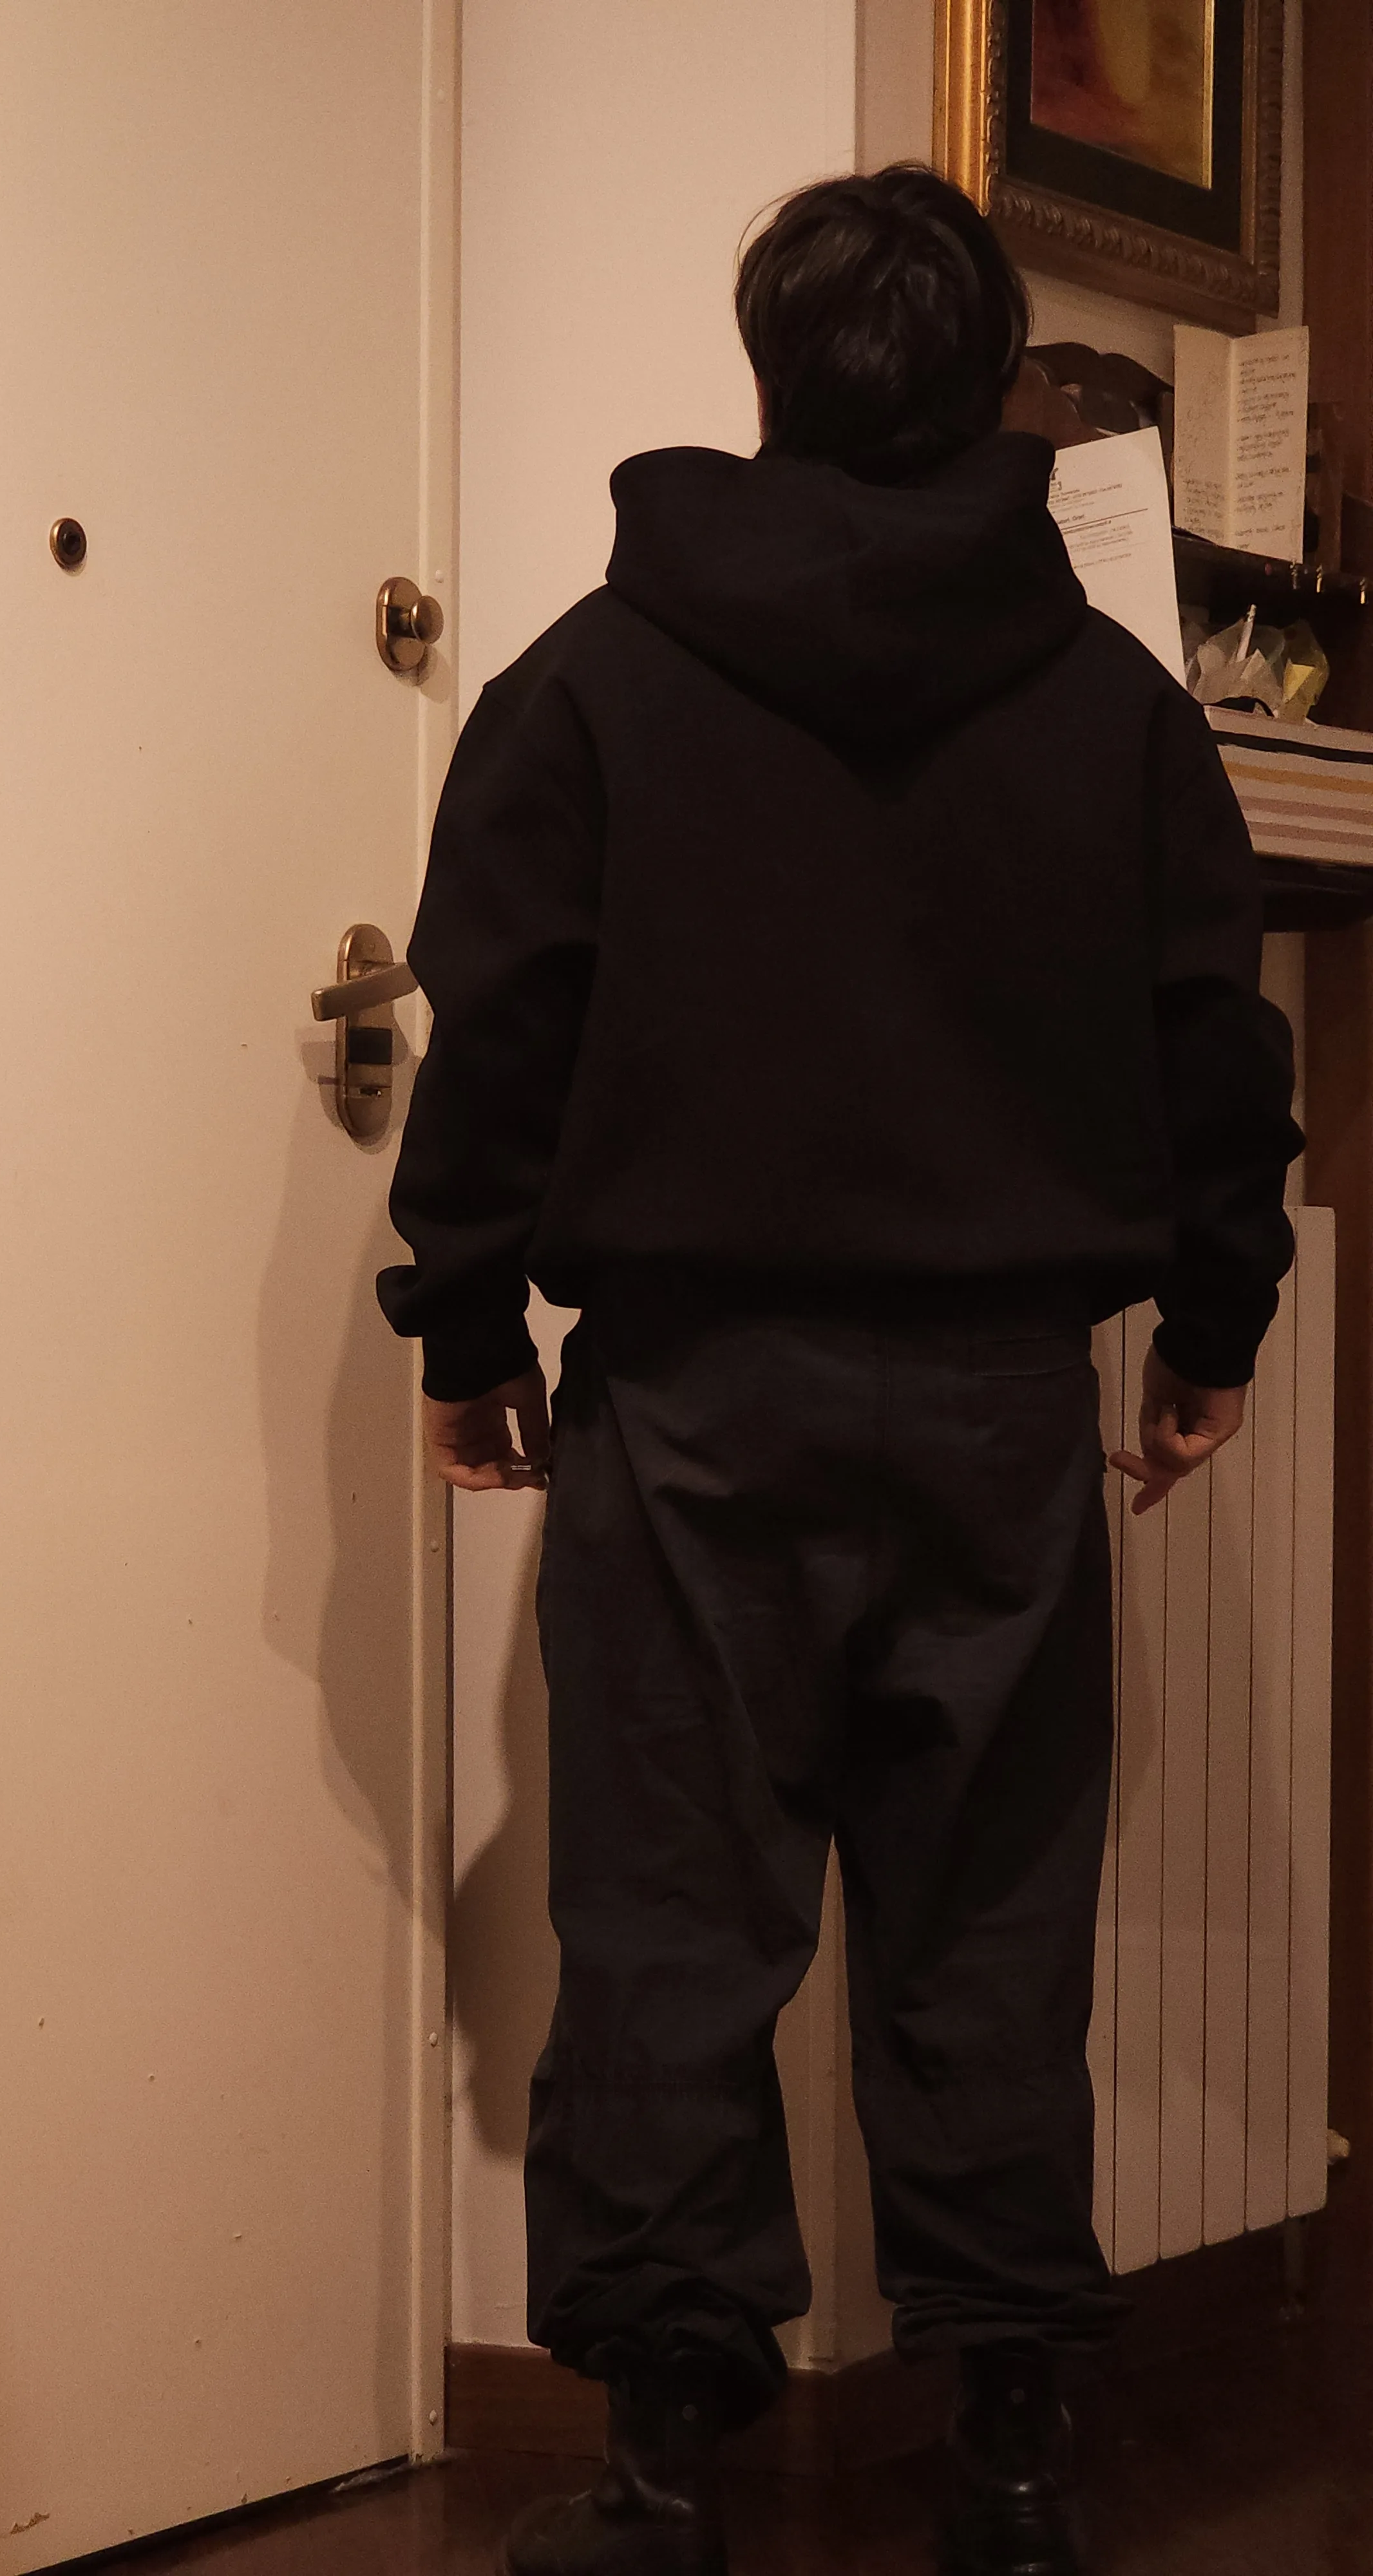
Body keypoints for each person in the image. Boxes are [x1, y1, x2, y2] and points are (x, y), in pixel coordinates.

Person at [377, 164, 1302, 2576]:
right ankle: (1011, 2463)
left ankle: (661, 2477)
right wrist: (1211, 1329)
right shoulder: (1106, 703)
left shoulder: (592, 678)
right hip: (994, 1404)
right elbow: (1216, 1039)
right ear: (988, 382)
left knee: (671, 1924)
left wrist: (463, 1328)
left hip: (696, 1403)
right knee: (989, 1921)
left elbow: (500, 1028)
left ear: (765, 366)